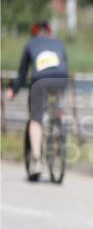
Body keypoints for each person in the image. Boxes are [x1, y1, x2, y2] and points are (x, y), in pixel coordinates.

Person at [5, 21, 69, 181]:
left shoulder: (30, 44)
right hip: (61, 79)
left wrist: (13, 90)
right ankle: (58, 123)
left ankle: (36, 159)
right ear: (49, 32)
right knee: (57, 104)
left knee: (36, 119)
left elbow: (22, 74)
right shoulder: (58, 43)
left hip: (40, 81)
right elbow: (65, 66)